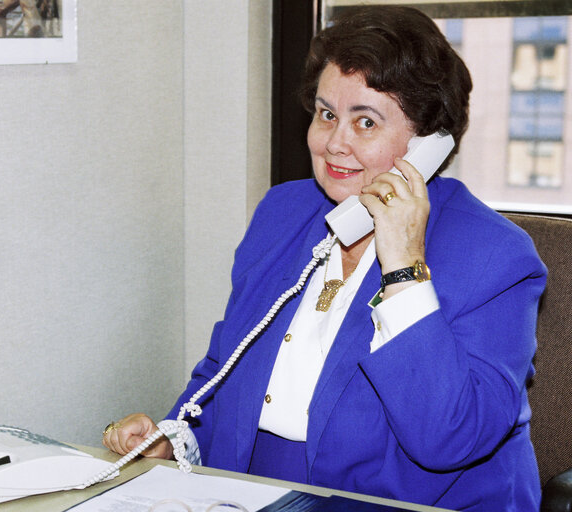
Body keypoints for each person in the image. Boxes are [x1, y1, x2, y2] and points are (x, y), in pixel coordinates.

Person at [102, 6, 546, 511]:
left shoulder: (495, 256)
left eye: (366, 121)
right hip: (259, 496)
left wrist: (403, 263)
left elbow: (448, 438)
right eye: (327, 113)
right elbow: (227, 369)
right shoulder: (284, 212)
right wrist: (176, 439)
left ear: (428, 142)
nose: (334, 142)